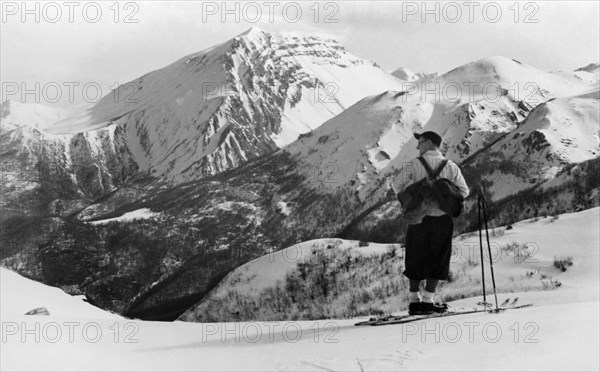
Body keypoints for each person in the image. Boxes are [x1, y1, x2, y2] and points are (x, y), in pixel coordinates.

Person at [390, 131, 469, 315]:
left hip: (418, 219)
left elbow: (396, 186)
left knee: (415, 257)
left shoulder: (414, 164)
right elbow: (464, 192)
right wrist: (444, 196)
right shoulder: (450, 167)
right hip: (442, 219)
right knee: (438, 258)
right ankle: (428, 301)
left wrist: (414, 198)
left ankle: (414, 301)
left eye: (421, 142)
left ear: (430, 143)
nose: (418, 146)